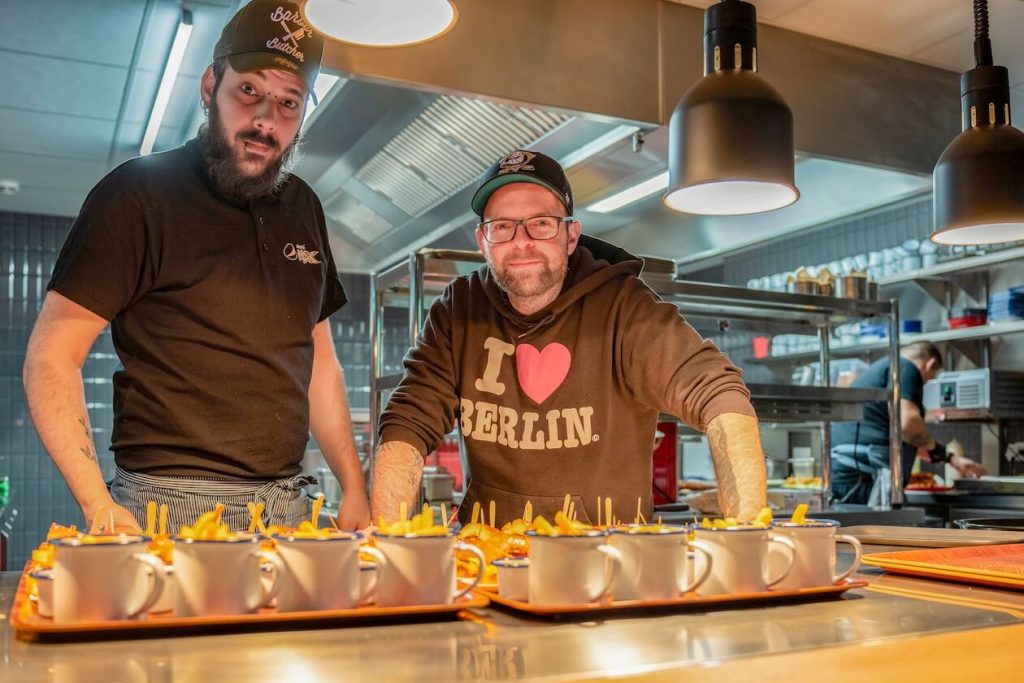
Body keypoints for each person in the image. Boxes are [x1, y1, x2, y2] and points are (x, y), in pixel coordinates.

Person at [22, 1, 370, 533]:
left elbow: (319, 361)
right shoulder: (136, 195)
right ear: (211, 85)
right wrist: (97, 504)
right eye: (249, 90)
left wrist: (353, 486)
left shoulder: (304, 208)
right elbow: (51, 356)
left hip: (291, 506)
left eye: (288, 102)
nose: (265, 119)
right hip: (168, 507)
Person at [371, 149, 768, 526]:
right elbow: (409, 421)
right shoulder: (458, 308)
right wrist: (387, 544)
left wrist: (751, 527)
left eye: (541, 224)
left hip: (610, 568)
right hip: (487, 562)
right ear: (483, 242)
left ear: (571, 236)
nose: (521, 241)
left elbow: (717, 393)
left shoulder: (626, 308)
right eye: (502, 227)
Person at [830, 341, 987, 505]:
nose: (924, 384)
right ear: (930, 364)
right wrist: (939, 451)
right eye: (928, 379)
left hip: (851, 477)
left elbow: (908, 438)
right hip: (864, 481)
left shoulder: (886, 368)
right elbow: (909, 426)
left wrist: (951, 459)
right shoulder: (906, 368)